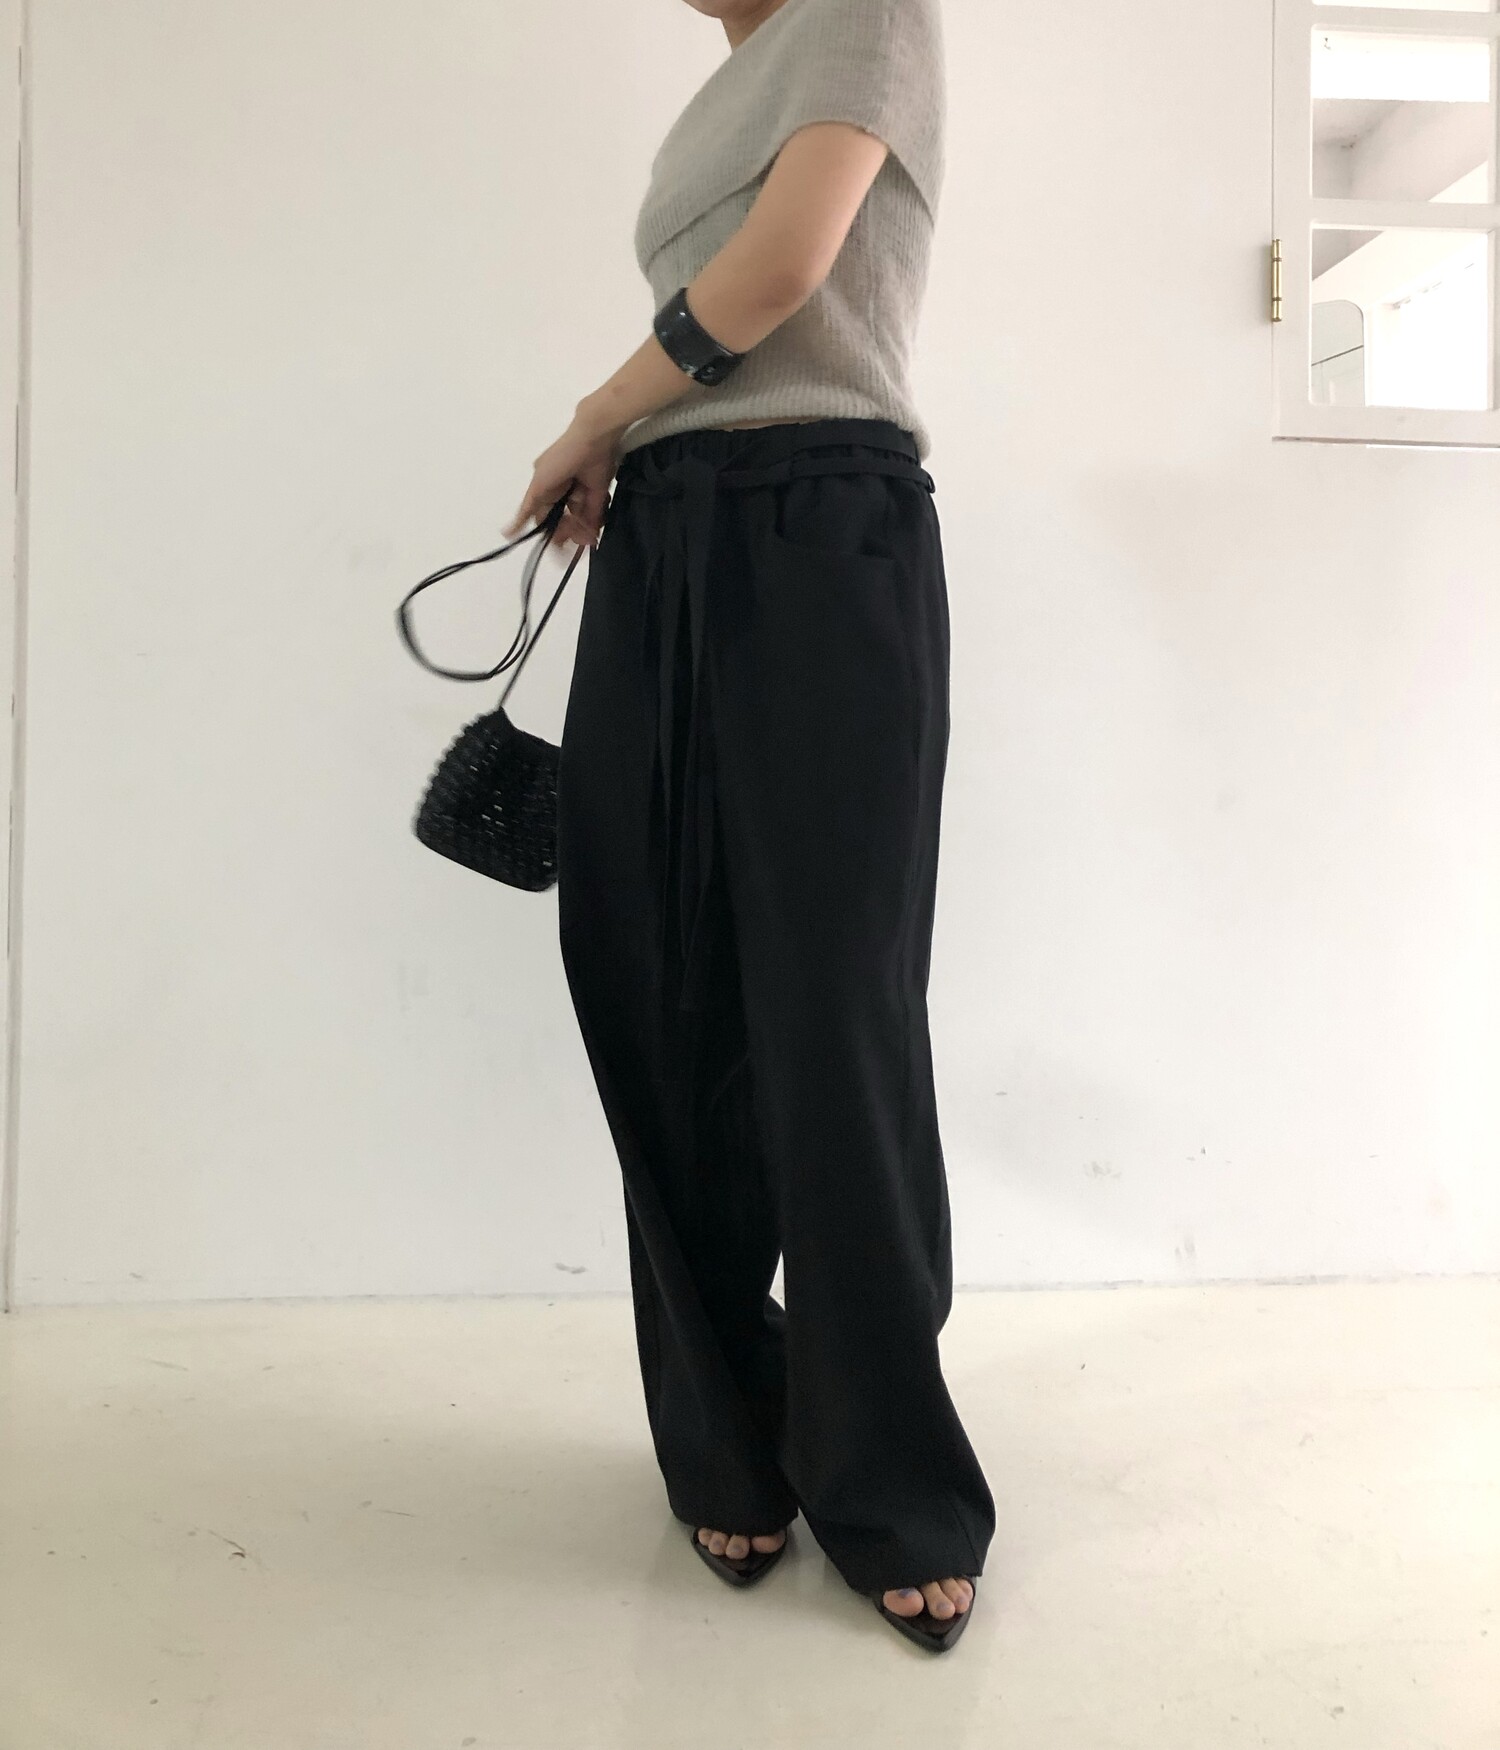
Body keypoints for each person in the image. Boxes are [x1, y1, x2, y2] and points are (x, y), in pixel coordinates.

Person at [501, 0, 994, 1653]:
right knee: (651, 983)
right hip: (663, 534)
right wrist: (629, 449)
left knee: (831, 1007)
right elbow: (718, 318)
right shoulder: (715, 97)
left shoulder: (868, 14)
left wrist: (595, 406)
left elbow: (779, 275)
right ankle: (725, 1431)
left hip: (822, 521)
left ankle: (890, 1475)